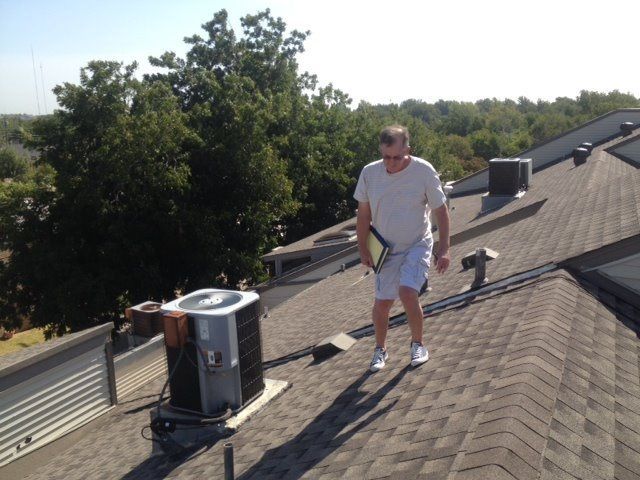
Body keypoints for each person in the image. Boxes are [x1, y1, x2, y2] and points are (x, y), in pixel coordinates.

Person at [354, 125, 451, 372]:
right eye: (387, 157)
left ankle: (418, 345)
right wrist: (363, 249)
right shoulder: (369, 173)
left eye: (397, 157)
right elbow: (364, 215)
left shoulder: (423, 171)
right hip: (386, 249)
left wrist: (445, 249)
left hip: (417, 243)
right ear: (381, 151)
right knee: (382, 303)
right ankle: (380, 349)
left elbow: (441, 211)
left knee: (408, 292)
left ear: (408, 149)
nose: (392, 163)